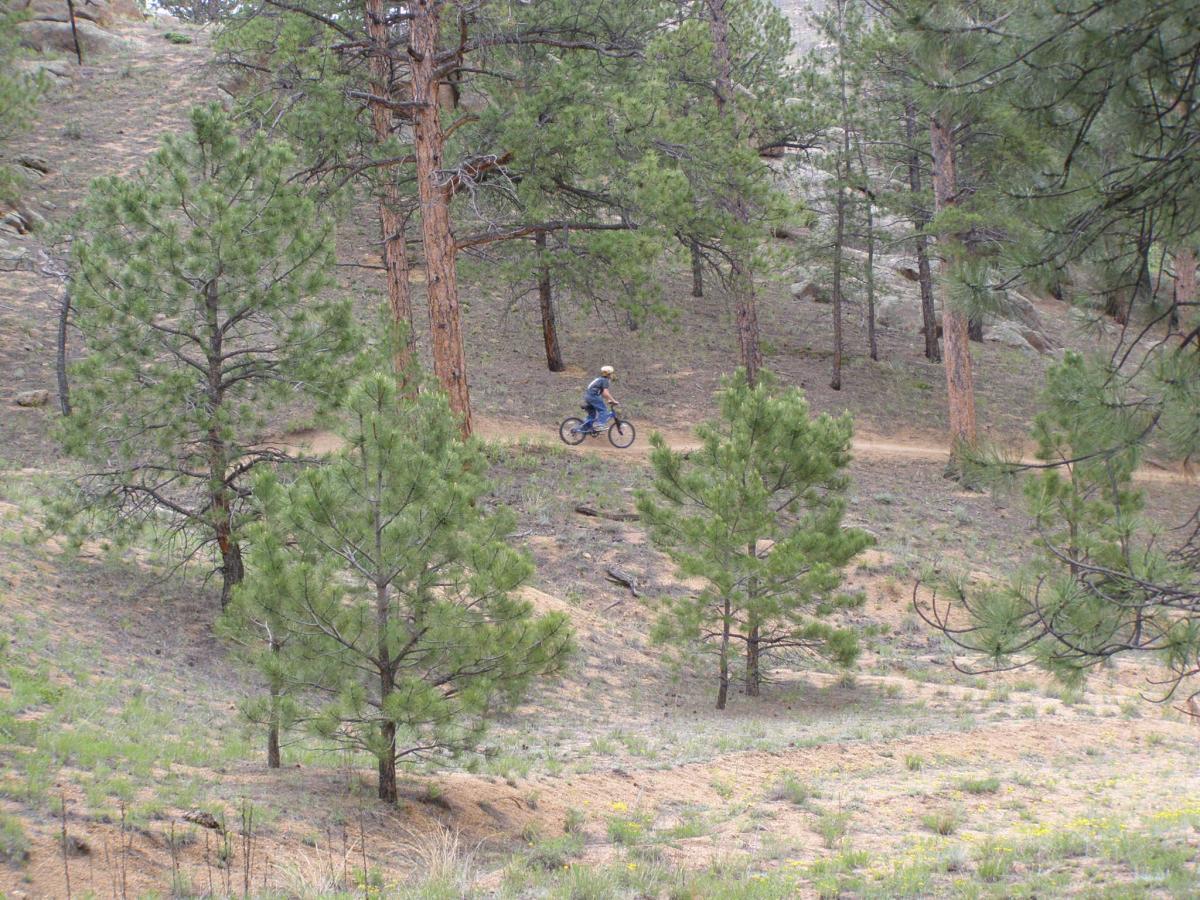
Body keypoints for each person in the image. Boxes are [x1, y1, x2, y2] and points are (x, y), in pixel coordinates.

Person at [578, 365, 619, 434]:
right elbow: (606, 392)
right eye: (612, 373)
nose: (612, 375)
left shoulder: (600, 379)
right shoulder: (605, 380)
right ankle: (600, 425)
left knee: (592, 415)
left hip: (588, 397)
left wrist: (608, 400)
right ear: (609, 374)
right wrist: (613, 400)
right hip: (593, 396)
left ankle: (584, 430)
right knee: (603, 410)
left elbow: (602, 393)